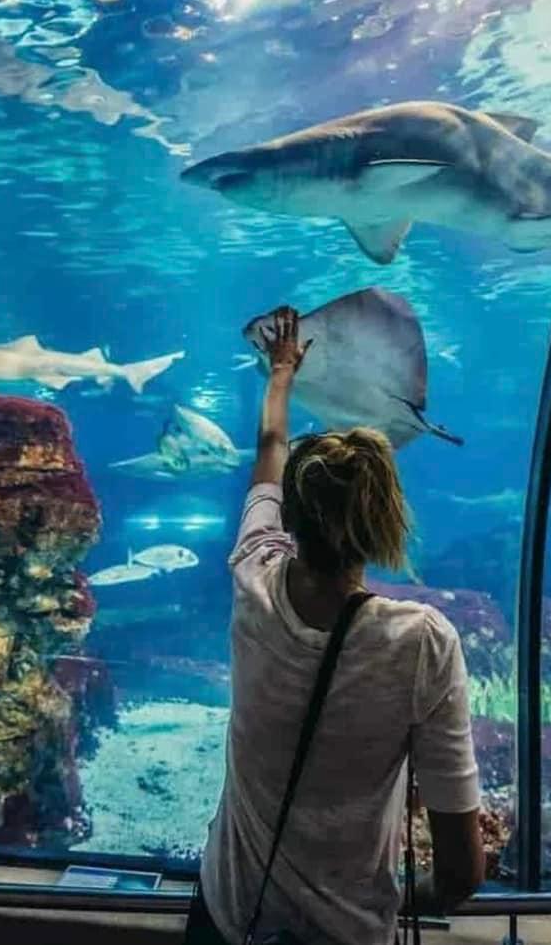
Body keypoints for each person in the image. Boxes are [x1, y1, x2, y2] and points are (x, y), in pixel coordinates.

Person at [189, 307, 484, 945]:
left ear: (290, 515)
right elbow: (462, 872)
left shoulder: (254, 576)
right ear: (386, 521)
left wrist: (281, 375)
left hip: (231, 913)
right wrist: (390, 903)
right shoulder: (422, 642)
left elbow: (271, 449)